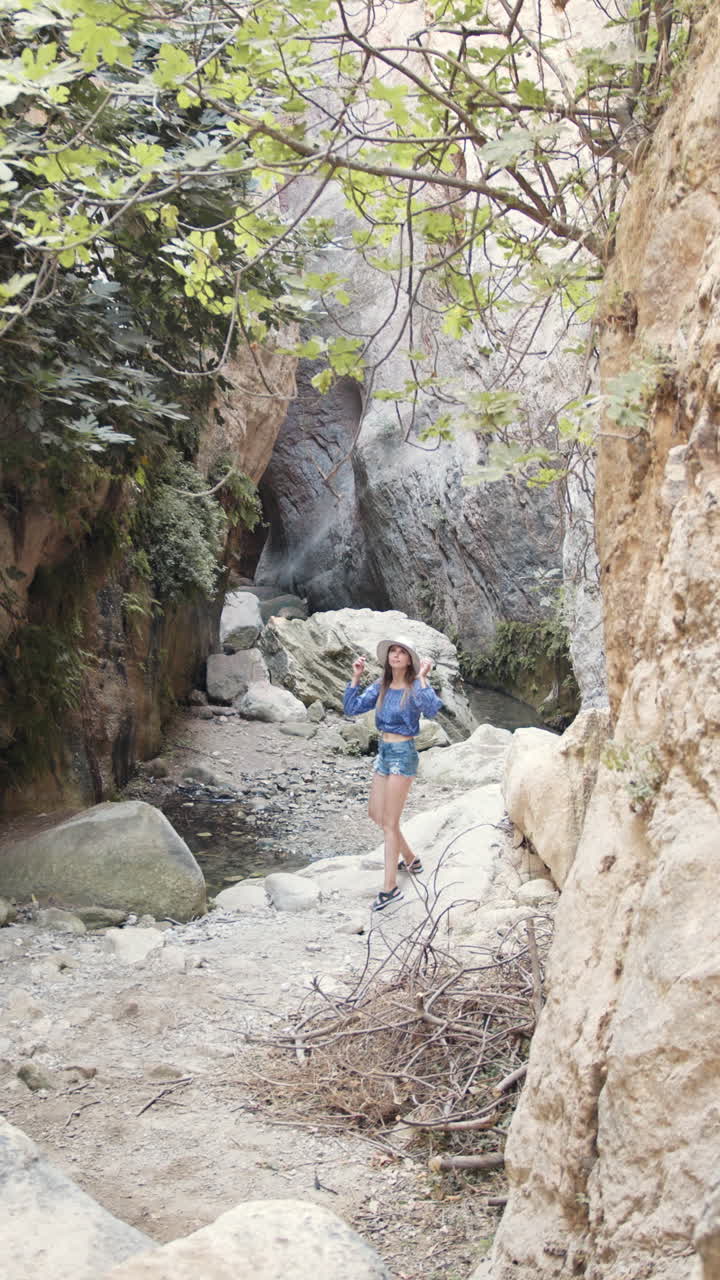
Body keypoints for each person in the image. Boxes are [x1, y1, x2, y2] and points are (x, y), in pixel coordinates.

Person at [343, 636, 443, 911]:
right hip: (384, 753)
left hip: (403, 755)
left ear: (410, 659)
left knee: (389, 823)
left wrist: (423, 677)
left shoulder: (414, 687)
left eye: (402, 652)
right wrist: (355, 677)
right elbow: (352, 708)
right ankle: (411, 859)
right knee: (377, 814)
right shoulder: (382, 685)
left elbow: (432, 709)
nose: (396, 655)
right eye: (393, 651)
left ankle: (389, 889)